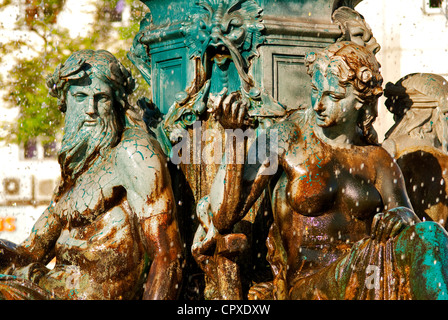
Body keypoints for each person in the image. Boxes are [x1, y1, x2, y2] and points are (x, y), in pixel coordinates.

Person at [205, 41, 448, 300]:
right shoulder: (287, 138)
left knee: (431, 234)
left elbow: (407, 218)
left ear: (360, 101)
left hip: (366, 272)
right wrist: (234, 138)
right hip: (309, 286)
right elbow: (223, 217)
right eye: (314, 90)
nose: (318, 105)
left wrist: (400, 215)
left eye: (332, 96)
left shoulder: (378, 159)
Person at [0, 50, 183, 300]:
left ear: (117, 103)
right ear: (64, 102)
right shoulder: (76, 170)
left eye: (101, 98)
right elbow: (30, 254)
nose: (90, 109)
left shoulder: (132, 152)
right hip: (48, 288)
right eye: (80, 96)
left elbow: (168, 255)